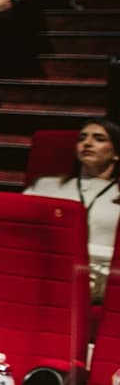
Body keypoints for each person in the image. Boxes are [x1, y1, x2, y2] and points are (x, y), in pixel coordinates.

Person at [23, 118, 117, 305]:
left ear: (117, 154)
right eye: (82, 138)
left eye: (99, 139)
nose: (87, 143)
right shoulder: (46, 186)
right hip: (47, 270)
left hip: (104, 279)